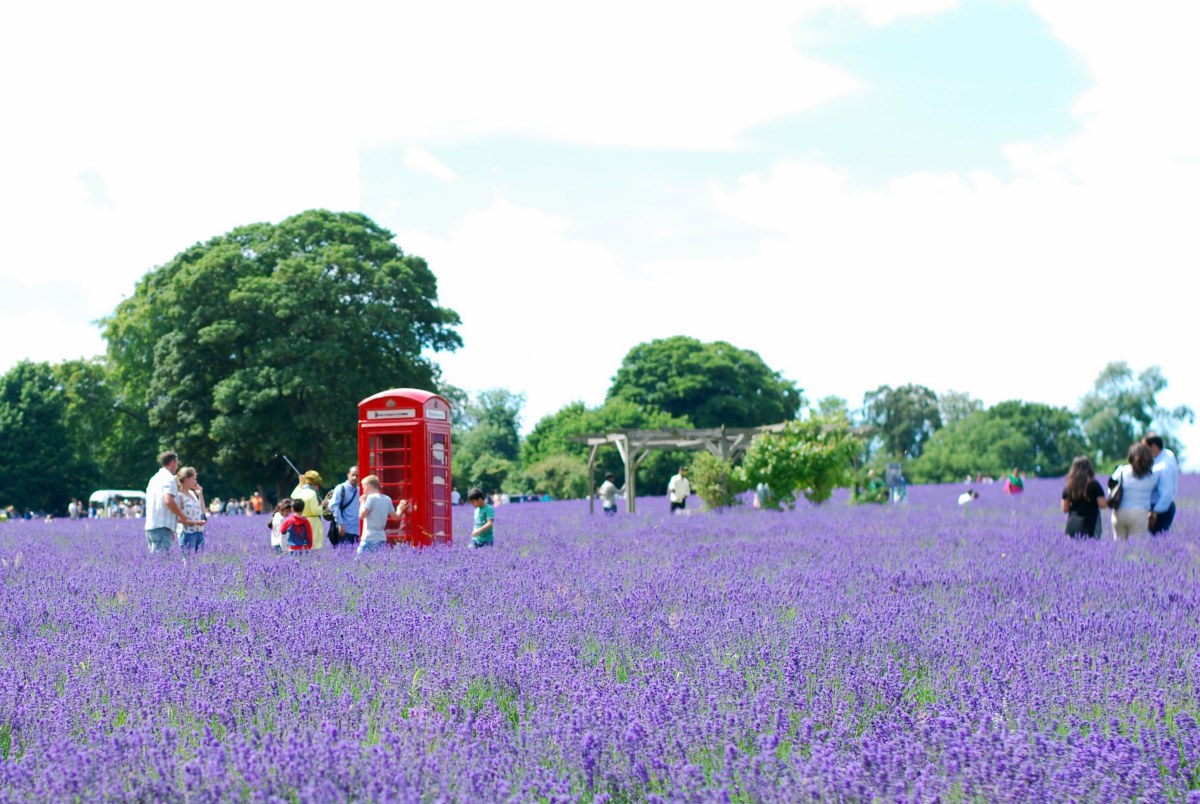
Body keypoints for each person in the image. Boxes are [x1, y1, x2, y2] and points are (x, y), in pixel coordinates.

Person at [1109, 443, 1160, 539]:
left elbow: (1110, 488)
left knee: (1119, 549)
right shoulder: (1153, 476)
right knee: (1136, 549)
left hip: (1119, 512)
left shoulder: (1121, 470)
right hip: (1139, 514)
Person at [144, 451, 186, 554]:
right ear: (172, 462)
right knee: (161, 562)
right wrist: (181, 515)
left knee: (156, 562)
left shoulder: (154, 478)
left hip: (151, 526)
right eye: (177, 463)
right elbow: (168, 500)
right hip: (162, 527)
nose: (177, 466)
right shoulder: (169, 478)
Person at [359, 474, 407, 555]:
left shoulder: (370, 498)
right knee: (377, 563)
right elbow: (395, 517)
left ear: (369, 486)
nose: (363, 491)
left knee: (359, 563)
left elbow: (361, 516)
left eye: (364, 488)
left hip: (369, 538)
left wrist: (362, 502)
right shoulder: (387, 499)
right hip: (381, 538)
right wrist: (400, 508)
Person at [1060, 456, 1106, 538]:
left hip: (1072, 525)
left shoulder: (1069, 486)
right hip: (1090, 525)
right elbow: (1102, 505)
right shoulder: (1094, 485)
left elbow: (1065, 509)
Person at [1143, 434, 1178, 535]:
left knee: (1157, 539)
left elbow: (1167, 493)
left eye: (1145, 448)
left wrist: (1154, 513)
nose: (1143, 451)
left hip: (1160, 508)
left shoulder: (1164, 465)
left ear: (1153, 447)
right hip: (1159, 507)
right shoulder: (1165, 454)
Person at [175, 466, 207, 552]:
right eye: (193, 479)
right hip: (187, 533)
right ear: (186, 479)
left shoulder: (192, 493)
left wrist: (200, 494)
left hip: (199, 532)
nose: (196, 482)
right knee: (188, 562)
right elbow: (176, 517)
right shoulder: (179, 496)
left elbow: (202, 511)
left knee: (198, 562)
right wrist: (195, 522)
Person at [291, 470, 325, 549]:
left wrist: (300, 483)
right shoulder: (312, 493)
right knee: (314, 546)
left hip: (300, 521)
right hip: (312, 522)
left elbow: (293, 495)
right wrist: (323, 506)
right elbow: (315, 511)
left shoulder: (299, 491)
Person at [329, 465, 361, 547]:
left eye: (357, 476)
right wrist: (340, 524)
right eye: (353, 475)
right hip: (344, 528)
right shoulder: (341, 488)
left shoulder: (360, 491)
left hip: (357, 529)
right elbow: (334, 506)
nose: (354, 478)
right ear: (348, 475)